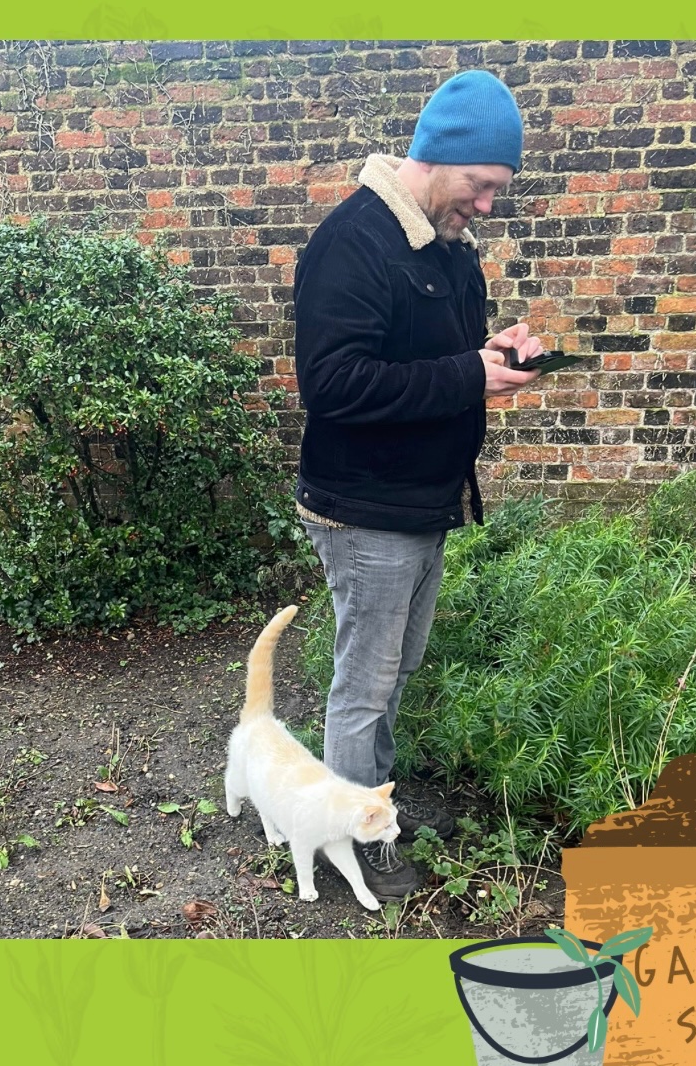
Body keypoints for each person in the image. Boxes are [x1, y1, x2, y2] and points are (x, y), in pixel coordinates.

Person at [293, 70, 545, 900]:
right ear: (438, 158)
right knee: (363, 685)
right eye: (480, 186)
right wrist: (468, 376)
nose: (485, 205)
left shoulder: (443, 248)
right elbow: (335, 386)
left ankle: (373, 806)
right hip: (365, 509)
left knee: (393, 673)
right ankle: (341, 842)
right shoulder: (353, 243)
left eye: (496, 191)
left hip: (418, 502)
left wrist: (494, 352)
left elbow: (431, 358)